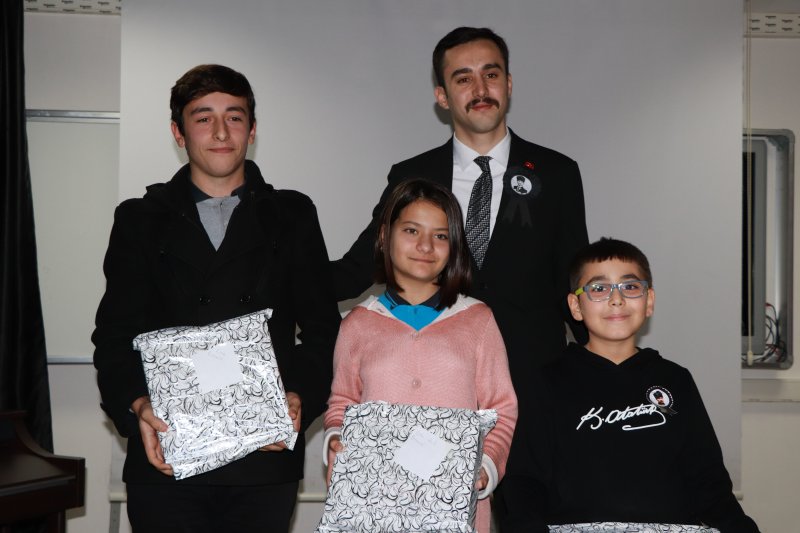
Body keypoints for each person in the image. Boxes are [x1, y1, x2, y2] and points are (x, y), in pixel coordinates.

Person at [92, 64, 340, 533]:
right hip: (167, 453)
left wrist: (298, 396)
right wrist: (137, 405)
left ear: (252, 129)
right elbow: (114, 336)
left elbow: (323, 330)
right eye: (203, 118)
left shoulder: (291, 214)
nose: (221, 132)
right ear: (178, 132)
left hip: (261, 458)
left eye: (235, 117)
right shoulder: (139, 219)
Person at [332, 27, 589, 410]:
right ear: (442, 96)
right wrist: (279, 285)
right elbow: (359, 267)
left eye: (491, 74)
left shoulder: (556, 173)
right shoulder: (412, 175)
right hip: (433, 390)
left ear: (508, 83)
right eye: (463, 79)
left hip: (534, 387)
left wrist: (604, 366)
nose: (481, 89)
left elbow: (575, 283)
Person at [500, 238, 760, 532]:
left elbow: (708, 480)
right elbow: (525, 483)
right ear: (575, 306)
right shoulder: (547, 382)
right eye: (599, 288)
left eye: (630, 286)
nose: (616, 299)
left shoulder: (676, 380)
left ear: (649, 301)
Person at [322, 179, 518, 533]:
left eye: (440, 236)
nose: (425, 246)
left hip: (454, 510)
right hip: (375, 509)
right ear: (385, 236)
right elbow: (343, 402)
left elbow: (501, 409)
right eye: (411, 230)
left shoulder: (478, 320)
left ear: (454, 246)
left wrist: (486, 465)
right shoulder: (358, 324)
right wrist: (336, 439)